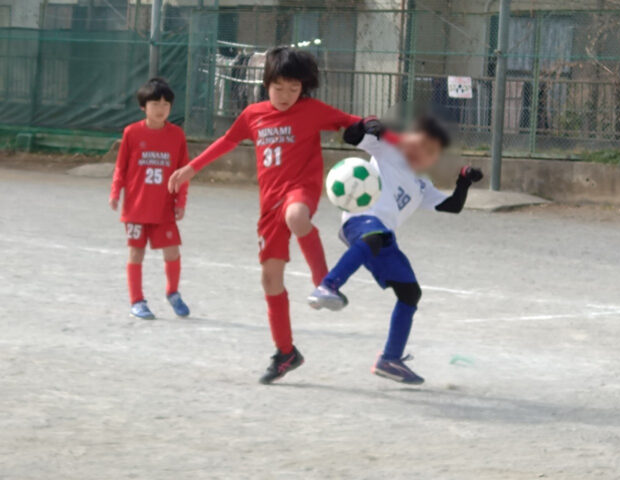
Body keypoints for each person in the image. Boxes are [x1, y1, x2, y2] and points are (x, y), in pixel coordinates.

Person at [168, 47, 360, 384]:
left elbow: (352, 123)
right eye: (279, 88)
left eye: (294, 89)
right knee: (270, 280)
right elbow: (227, 141)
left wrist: (378, 129)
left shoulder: (311, 111)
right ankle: (286, 352)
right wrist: (190, 168)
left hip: (300, 188)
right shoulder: (253, 114)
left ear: (304, 89)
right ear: (266, 83)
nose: (286, 95)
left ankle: (326, 283)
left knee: (297, 216)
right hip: (268, 205)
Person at [308, 116, 483, 384]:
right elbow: (351, 137)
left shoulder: (422, 185)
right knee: (375, 235)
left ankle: (390, 359)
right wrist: (365, 126)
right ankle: (327, 286)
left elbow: (451, 206)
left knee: (410, 293)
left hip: (383, 237)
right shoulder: (388, 151)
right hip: (360, 221)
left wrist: (464, 181)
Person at [110, 78, 191, 320]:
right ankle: (137, 301)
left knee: (173, 252)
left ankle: (173, 292)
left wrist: (181, 202)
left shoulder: (176, 135)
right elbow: (120, 168)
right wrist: (115, 192)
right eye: (155, 103)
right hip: (136, 209)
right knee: (136, 254)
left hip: (164, 209)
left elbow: (183, 171)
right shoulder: (132, 133)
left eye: (166, 104)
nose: (161, 108)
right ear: (143, 106)